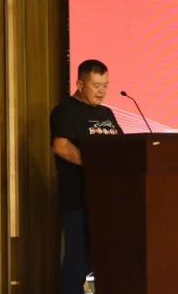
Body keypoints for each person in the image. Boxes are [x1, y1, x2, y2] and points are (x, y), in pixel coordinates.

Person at [50, 59, 124, 294]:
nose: (102, 91)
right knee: (78, 258)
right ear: (80, 84)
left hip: (108, 200)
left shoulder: (107, 113)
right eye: (96, 85)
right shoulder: (65, 111)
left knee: (107, 257)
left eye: (105, 85)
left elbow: (123, 147)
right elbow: (61, 146)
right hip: (78, 199)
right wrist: (95, 166)